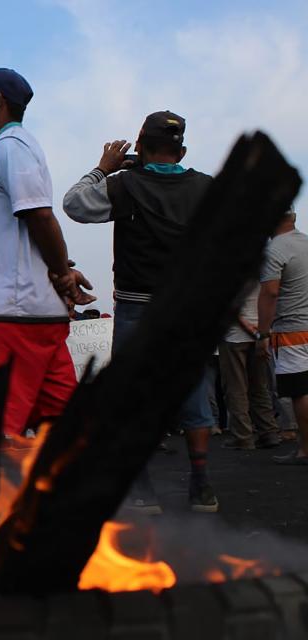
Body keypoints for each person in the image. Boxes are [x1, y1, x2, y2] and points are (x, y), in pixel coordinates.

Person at [63, 110, 218, 513]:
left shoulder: (125, 184)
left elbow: (74, 205)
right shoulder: (206, 188)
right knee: (194, 392)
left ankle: (144, 489)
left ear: (141, 147)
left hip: (135, 307)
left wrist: (102, 169)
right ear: (181, 149)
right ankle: (201, 485)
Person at [0, 68, 95, 445]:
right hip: (40, 319)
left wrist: (62, 273)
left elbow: (39, 214)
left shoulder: (10, 146)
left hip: (9, 320)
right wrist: (60, 273)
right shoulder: (18, 148)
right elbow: (33, 227)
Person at [258, 209, 308, 465]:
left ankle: (305, 449)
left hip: (291, 330)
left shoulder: (274, 249)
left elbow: (270, 293)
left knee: (299, 391)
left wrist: (263, 333)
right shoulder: (305, 242)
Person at [219, 283, 282, 449]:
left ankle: (242, 436)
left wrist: (249, 328)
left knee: (235, 388)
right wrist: (262, 332)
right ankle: (268, 432)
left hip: (235, 336)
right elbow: (273, 296)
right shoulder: (267, 266)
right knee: (260, 386)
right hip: (261, 334)